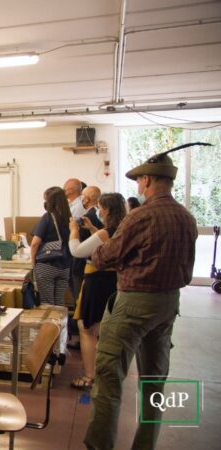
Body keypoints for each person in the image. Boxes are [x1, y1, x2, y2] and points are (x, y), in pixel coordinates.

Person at [84, 146, 200, 450]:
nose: (138, 185)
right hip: (169, 304)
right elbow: (187, 267)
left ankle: (99, 445)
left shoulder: (140, 216)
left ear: (147, 180)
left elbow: (104, 257)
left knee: (109, 379)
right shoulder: (186, 217)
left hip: (134, 303)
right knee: (154, 382)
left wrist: (100, 250)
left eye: (139, 180)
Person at [67, 193, 126, 390]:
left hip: (97, 281)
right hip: (111, 281)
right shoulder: (121, 229)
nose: (98, 211)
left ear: (107, 210)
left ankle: (89, 375)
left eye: (100, 207)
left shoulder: (106, 232)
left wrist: (74, 231)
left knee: (86, 327)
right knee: (100, 326)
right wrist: (92, 228)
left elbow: (77, 251)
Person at [29, 187, 72, 306]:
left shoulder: (48, 217)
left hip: (47, 265)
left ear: (50, 201)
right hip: (65, 267)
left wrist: (33, 261)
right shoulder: (70, 218)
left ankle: (49, 320)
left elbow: (35, 243)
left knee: (47, 303)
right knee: (59, 302)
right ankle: (61, 319)